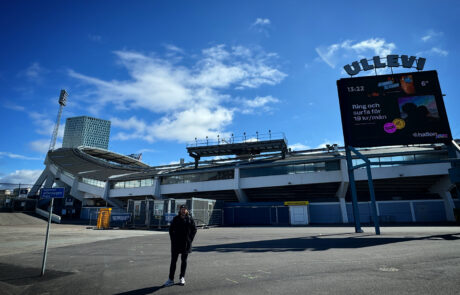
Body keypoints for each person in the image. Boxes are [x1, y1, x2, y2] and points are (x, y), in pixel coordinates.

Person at [163, 204, 197, 287]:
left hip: (186, 244)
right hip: (176, 244)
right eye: (182, 209)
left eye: (185, 209)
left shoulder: (190, 219)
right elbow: (171, 230)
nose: (183, 210)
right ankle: (170, 279)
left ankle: (182, 277)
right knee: (173, 262)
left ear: (187, 210)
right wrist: (173, 240)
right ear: (180, 210)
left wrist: (190, 240)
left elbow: (194, 230)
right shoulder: (176, 219)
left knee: (184, 261)